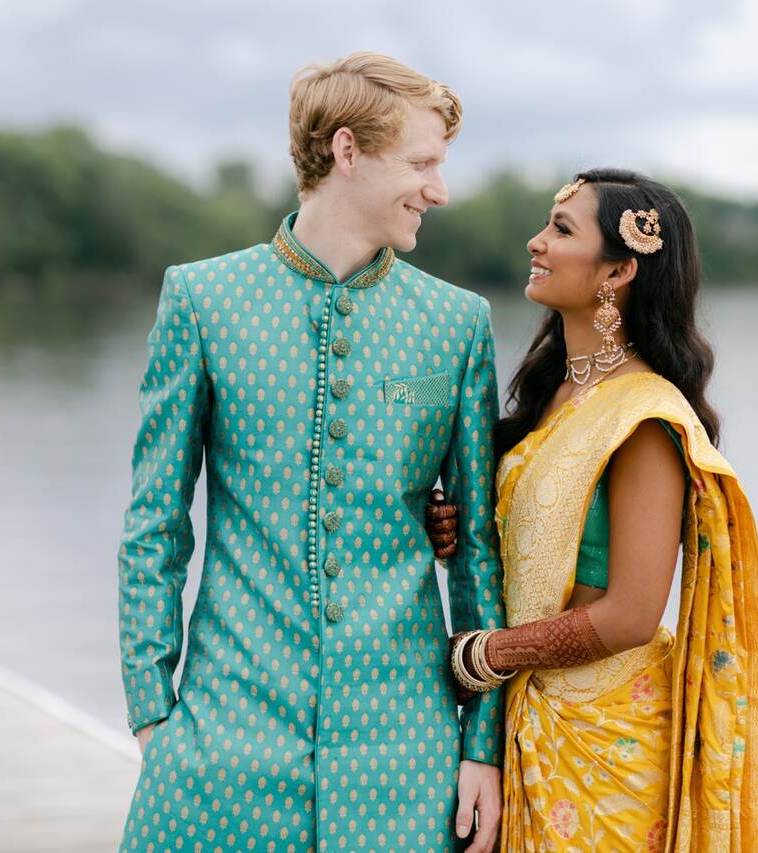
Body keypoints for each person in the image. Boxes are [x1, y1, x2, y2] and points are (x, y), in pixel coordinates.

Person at [116, 52, 504, 853]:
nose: (440, 188)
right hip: (225, 731)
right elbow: (155, 524)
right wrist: (152, 710)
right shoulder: (203, 299)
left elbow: (475, 553)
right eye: (423, 163)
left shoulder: (457, 323)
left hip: (406, 749)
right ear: (347, 150)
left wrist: (481, 745)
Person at [426, 169, 758, 851]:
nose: (536, 242)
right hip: (531, 723)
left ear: (617, 270)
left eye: (560, 230)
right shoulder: (554, 397)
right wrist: (462, 529)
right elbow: (539, 543)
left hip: (607, 749)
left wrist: (484, 654)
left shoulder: (645, 418)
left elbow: (631, 613)